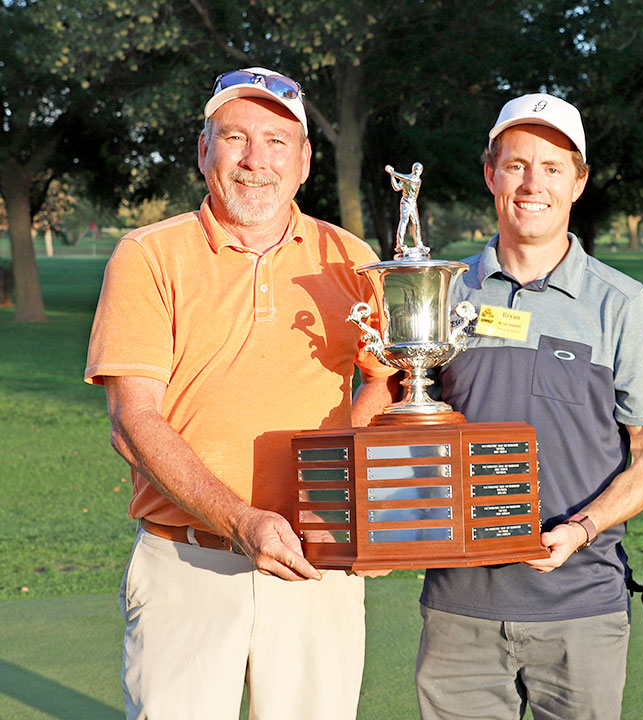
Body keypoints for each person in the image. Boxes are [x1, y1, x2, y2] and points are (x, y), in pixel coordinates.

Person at [84, 66, 395, 719]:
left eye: (277, 141)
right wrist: (241, 520)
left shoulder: (353, 259)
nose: (256, 160)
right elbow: (133, 421)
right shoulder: (147, 255)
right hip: (188, 562)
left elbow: (387, 382)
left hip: (318, 566)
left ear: (304, 161)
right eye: (235, 137)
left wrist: (354, 499)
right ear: (205, 151)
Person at [414, 93, 643, 720]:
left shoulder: (621, 303)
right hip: (459, 608)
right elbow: (401, 427)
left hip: (581, 607)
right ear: (490, 175)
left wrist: (582, 528)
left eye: (553, 168)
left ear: (578, 182)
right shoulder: (440, 294)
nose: (533, 184)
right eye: (516, 165)